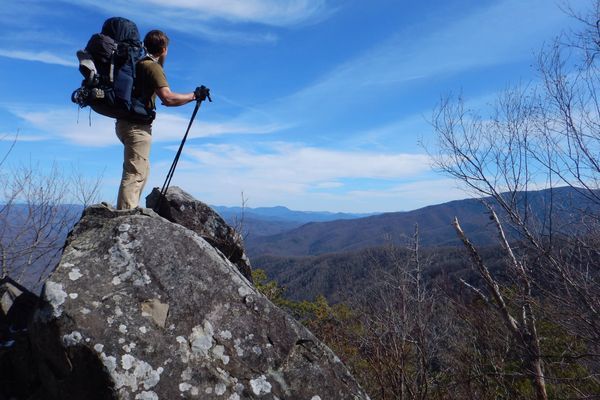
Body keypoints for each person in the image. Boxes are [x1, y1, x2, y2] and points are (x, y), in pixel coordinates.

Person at [116, 29, 202, 209]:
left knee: (142, 170)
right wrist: (194, 95)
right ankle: (124, 217)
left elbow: (158, 83)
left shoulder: (139, 64)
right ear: (164, 48)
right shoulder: (151, 67)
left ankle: (129, 209)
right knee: (135, 173)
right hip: (137, 127)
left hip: (125, 123)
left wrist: (161, 59)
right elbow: (168, 98)